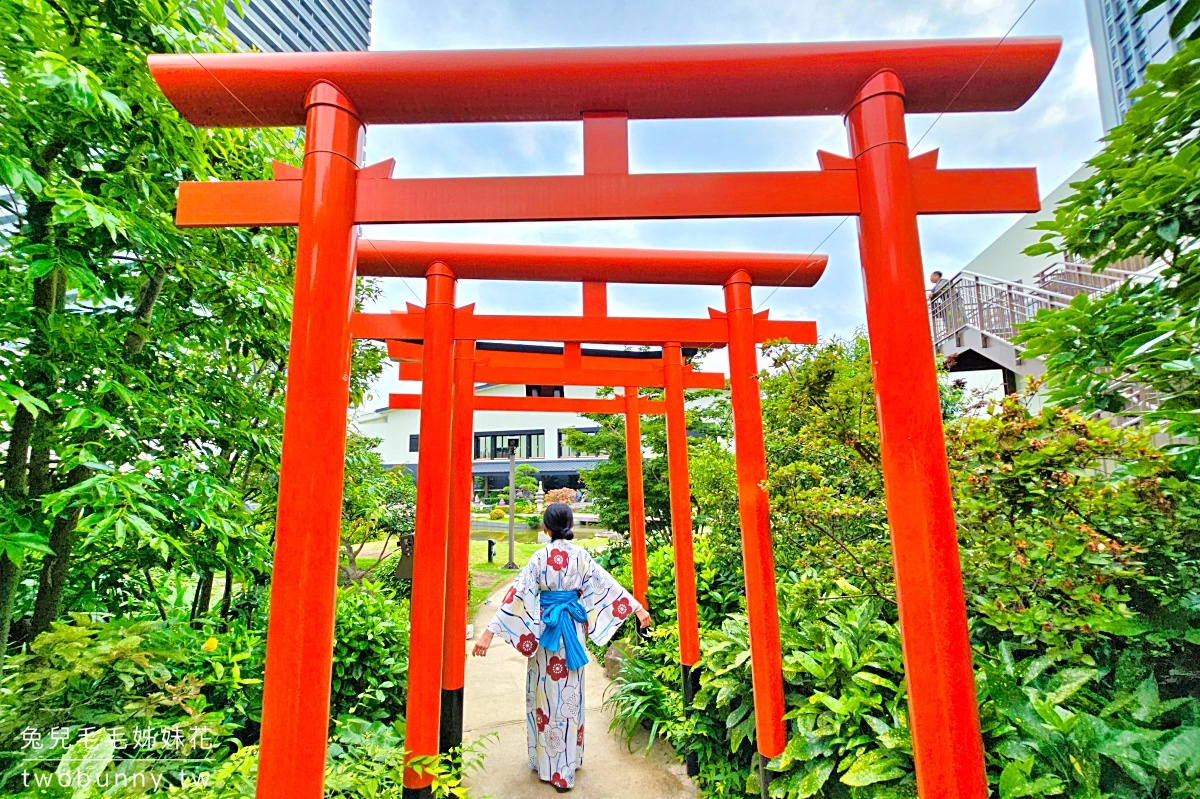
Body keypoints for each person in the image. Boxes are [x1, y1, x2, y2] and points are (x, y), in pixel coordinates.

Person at [473, 503, 651, 792]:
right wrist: (637, 609)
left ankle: (546, 763)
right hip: (572, 634)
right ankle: (567, 764)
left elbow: (517, 595)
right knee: (570, 700)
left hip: (546, 634)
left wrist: (489, 633)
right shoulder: (581, 556)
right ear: (569, 525)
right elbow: (606, 586)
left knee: (543, 697)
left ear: (546, 528)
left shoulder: (539, 557)